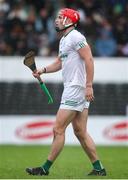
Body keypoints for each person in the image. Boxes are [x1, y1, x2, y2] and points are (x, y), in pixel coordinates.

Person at [26, 8, 107, 176]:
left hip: (76, 87)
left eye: (60, 17)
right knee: (80, 131)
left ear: (69, 21)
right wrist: (43, 70)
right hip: (76, 87)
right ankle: (99, 169)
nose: (56, 20)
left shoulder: (76, 36)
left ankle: (44, 169)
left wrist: (89, 85)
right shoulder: (64, 39)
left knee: (58, 129)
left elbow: (89, 59)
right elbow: (60, 62)